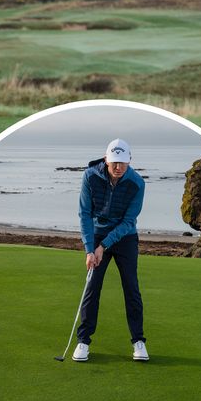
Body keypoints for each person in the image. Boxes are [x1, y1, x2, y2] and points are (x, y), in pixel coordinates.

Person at [73, 138, 148, 363]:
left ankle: (138, 341)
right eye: (114, 162)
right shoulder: (90, 176)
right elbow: (85, 214)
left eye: (122, 163)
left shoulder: (137, 183)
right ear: (106, 159)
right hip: (96, 234)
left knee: (131, 288)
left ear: (129, 161)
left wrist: (103, 246)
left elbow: (128, 221)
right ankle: (83, 341)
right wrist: (90, 249)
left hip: (125, 237)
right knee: (92, 288)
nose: (118, 167)